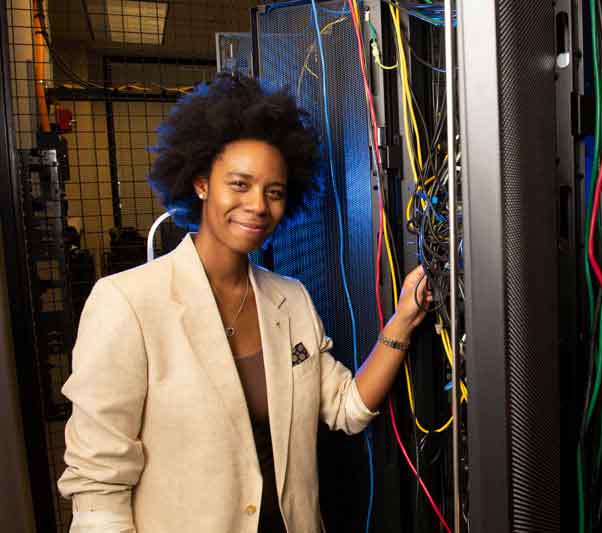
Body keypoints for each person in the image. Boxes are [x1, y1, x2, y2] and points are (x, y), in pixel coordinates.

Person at [58, 73, 431, 533]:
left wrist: (404, 318)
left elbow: (347, 409)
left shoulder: (290, 299)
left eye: (274, 192)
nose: (257, 205)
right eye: (239, 184)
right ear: (200, 183)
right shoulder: (127, 303)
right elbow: (98, 486)